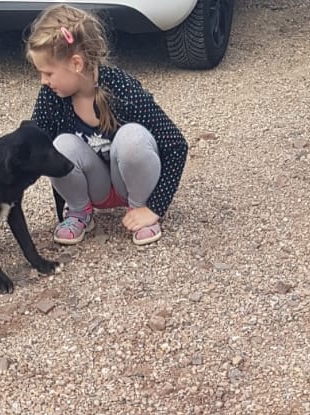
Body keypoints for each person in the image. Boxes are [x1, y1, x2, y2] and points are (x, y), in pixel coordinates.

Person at [26, 4, 188, 246]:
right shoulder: (52, 96)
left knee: (132, 137)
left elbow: (176, 145)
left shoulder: (122, 90)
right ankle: (79, 211)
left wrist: (155, 207)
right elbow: (32, 146)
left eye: (48, 73)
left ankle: (140, 209)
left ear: (77, 64)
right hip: (94, 186)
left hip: (132, 181)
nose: (43, 81)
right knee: (57, 146)